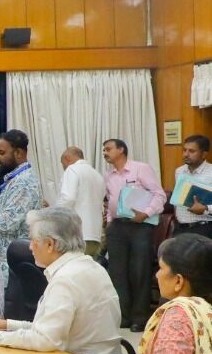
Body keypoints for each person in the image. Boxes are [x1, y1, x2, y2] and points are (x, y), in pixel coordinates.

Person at [0, 208, 120, 354]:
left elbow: (44, 340)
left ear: (50, 245)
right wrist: (7, 325)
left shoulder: (65, 279)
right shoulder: (91, 266)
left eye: (33, 241)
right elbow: (48, 330)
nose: (30, 247)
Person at [136, 234, 212, 354]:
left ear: (178, 281)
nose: (157, 275)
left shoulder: (180, 314)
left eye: (161, 268)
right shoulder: (205, 308)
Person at [103, 138, 166, 332]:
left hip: (139, 225)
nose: (105, 152)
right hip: (117, 227)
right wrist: (109, 221)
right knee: (118, 273)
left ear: (121, 150)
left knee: (139, 271)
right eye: (104, 150)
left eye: (108, 149)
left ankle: (140, 318)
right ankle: (124, 316)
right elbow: (110, 200)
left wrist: (146, 213)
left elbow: (159, 194)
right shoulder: (108, 175)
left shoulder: (140, 169)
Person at [0, 129, 43, 286]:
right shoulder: (14, 180)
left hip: (10, 268)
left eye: (1, 153)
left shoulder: (24, 182)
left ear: (18, 153)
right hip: (0, 264)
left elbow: (6, 223)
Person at [56, 146, 106, 257]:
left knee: (72, 267)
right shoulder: (97, 175)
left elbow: (68, 198)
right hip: (95, 234)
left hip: (76, 234)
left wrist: (53, 216)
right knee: (88, 266)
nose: (63, 168)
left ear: (67, 159)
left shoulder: (72, 169)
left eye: (62, 164)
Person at [172, 134, 212, 239]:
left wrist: (206, 208)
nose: (186, 154)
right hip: (180, 227)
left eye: (191, 151)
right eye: (184, 150)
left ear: (204, 154)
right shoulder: (179, 171)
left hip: (204, 227)